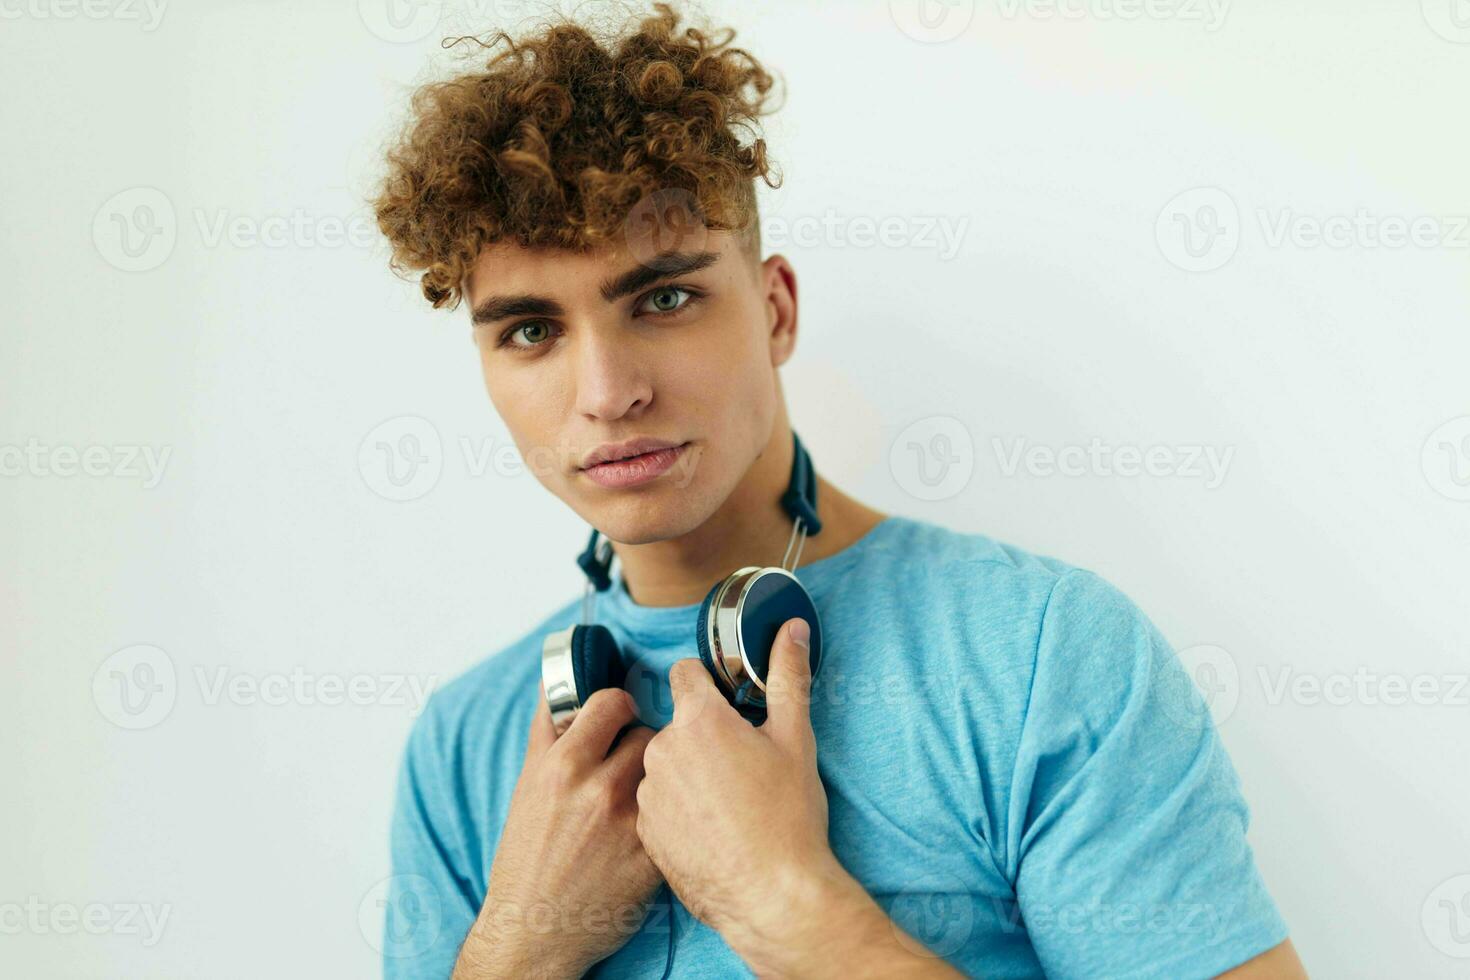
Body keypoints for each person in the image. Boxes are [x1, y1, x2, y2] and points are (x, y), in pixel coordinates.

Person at [370, 4, 1307, 977]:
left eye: (663, 299)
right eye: (530, 330)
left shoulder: (1044, 654)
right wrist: (518, 939)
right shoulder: (458, 743)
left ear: (775, 309)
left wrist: (790, 904)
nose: (609, 394)